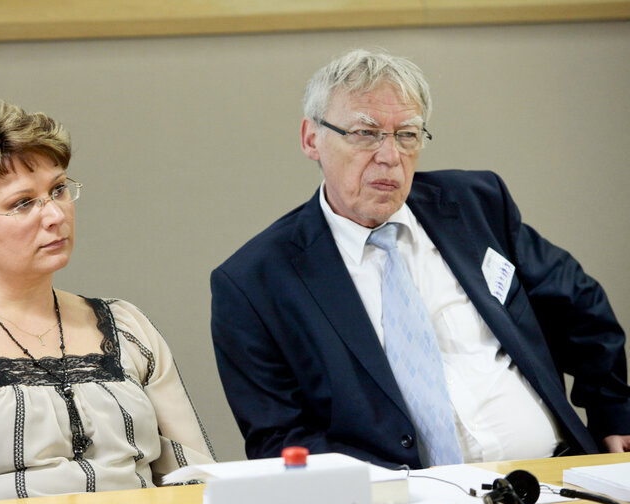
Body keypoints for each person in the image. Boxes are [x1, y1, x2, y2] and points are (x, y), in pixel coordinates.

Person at [210, 49, 630, 469]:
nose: (390, 156)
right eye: (364, 133)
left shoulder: (475, 205)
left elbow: (579, 303)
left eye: (407, 134)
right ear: (311, 138)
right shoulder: (254, 283)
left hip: (553, 476)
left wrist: (614, 410)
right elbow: (279, 438)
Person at [0, 99, 216, 504]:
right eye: (23, 202)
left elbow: (196, 482)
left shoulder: (127, 326)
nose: (54, 215)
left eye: (58, 190)